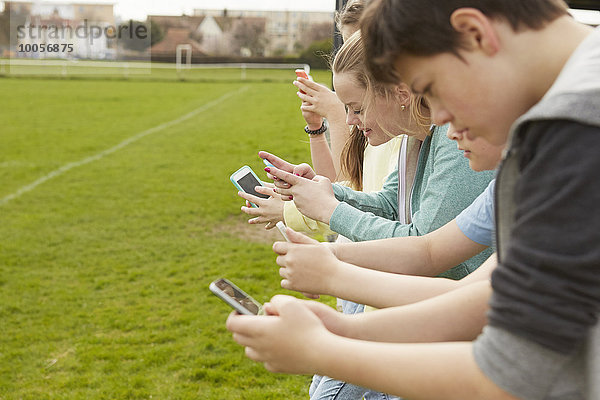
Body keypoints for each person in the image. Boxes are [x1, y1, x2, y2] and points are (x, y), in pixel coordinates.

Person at [227, 0, 600, 399]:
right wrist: (343, 329)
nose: (436, 117)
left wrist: (321, 350)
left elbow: (507, 372)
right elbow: (488, 297)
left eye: (429, 89)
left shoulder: (574, 129)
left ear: (475, 32)